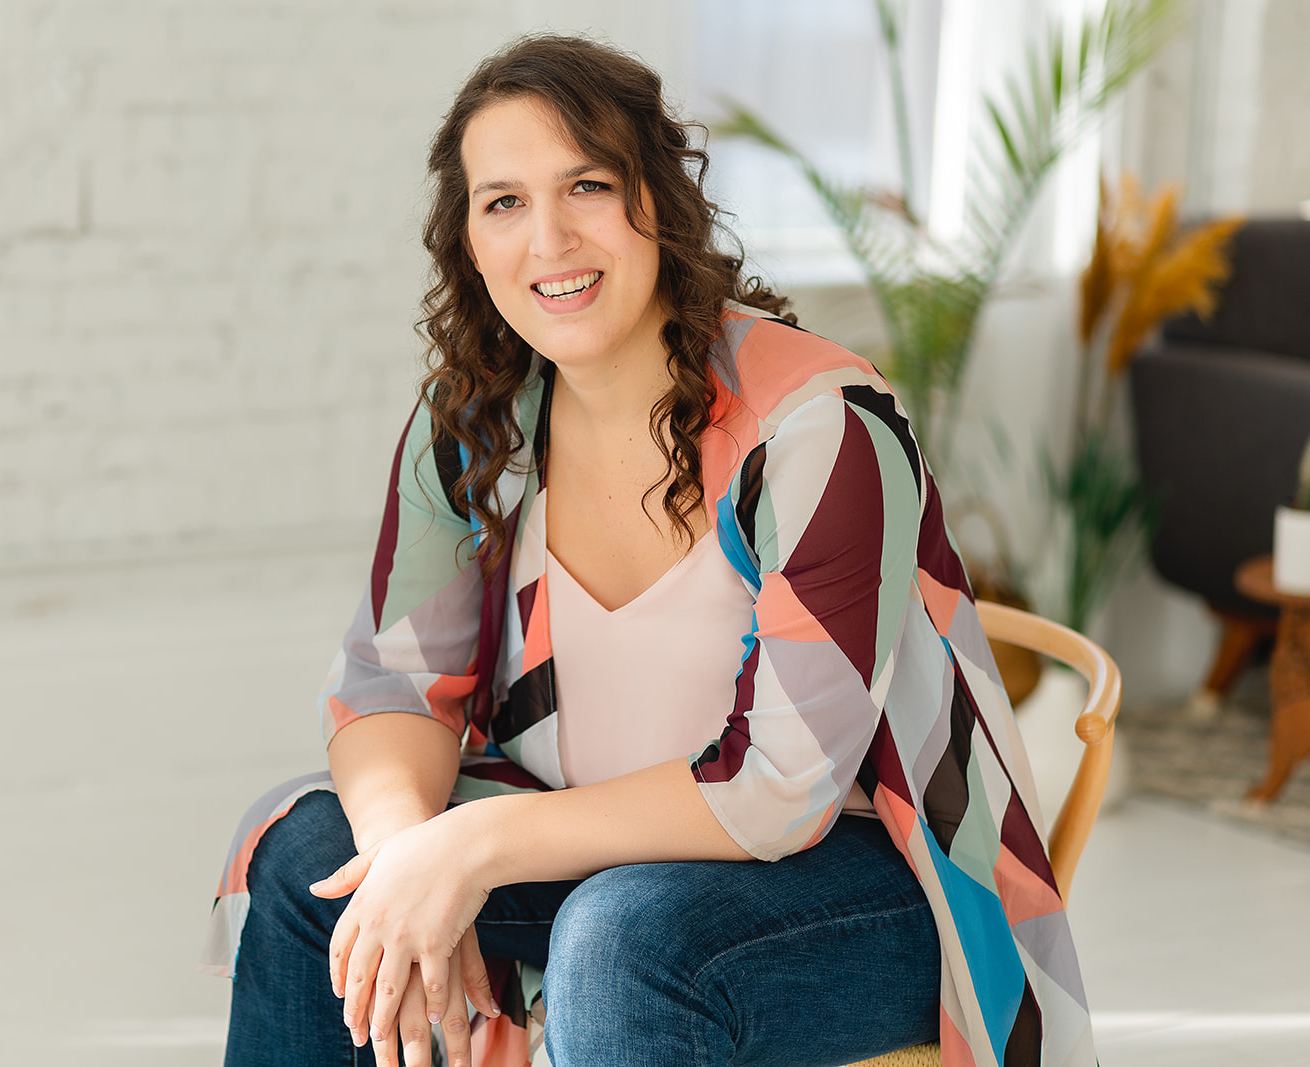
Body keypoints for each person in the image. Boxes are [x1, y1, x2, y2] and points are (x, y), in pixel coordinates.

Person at [203, 34, 1096, 1067]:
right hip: (591, 851)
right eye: (502, 202)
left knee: (626, 936)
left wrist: (470, 845)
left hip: (866, 879)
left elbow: (780, 790)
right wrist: (408, 855)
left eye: (585, 185)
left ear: (658, 204)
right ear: (466, 241)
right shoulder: (476, 421)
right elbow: (393, 686)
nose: (547, 239)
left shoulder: (819, 428)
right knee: (319, 859)